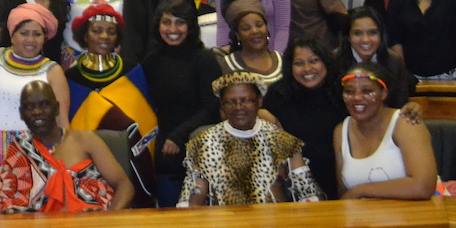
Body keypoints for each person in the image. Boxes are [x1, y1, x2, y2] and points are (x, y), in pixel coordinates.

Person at [178, 72, 321, 206]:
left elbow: (309, 193)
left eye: (246, 100)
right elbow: (193, 195)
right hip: (222, 221)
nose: (238, 107)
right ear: (221, 105)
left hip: (272, 221)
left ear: (259, 101)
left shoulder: (283, 141)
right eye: (230, 102)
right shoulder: (203, 143)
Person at [65, 4, 157, 207]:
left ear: (117, 37)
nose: (104, 36)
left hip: (131, 162)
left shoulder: (133, 71)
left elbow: (147, 122)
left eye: (111, 32)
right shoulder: (70, 78)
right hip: (88, 170)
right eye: (97, 31)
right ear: (85, 36)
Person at [0, 81, 134, 213]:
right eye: (29, 107)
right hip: (40, 227)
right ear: (21, 113)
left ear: (56, 109)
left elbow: (124, 186)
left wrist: (107, 219)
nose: (37, 112)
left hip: (94, 223)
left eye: (44, 104)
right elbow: (3, 202)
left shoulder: (86, 140)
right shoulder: (19, 150)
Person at [139, 0, 222, 207]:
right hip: (165, 149)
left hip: (200, 145)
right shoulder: (151, 61)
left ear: (190, 26)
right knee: (168, 216)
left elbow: (211, 107)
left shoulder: (205, 60)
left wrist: (178, 135)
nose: (173, 29)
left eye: (180, 22)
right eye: (166, 22)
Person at [0, 4, 70, 187]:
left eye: (37, 34)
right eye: (23, 33)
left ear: (44, 39)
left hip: (36, 150)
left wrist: (66, 164)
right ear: (12, 35)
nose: (30, 39)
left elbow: (62, 122)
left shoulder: (53, 71)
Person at [335, 63, 438, 200]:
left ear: (383, 93)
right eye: (349, 91)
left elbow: (423, 187)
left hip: (411, 211)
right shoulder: (341, 131)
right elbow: (344, 194)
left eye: (366, 91)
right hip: (363, 213)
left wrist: (361, 190)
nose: (357, 97)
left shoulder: (406, 122)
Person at [261, 38, 347, 200]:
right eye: (299, 63)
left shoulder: (343, 91)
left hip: (340, 179)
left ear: (326, 62)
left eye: (314, 61)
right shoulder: (278, 94)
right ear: (290, 67)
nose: (307, 69)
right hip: (294, 185)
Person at [339, 6, 417, 105]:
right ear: (348, 36)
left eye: (372, 33)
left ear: (381, 35)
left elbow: (400, 103)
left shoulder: (393, 61)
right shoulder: (334, 63)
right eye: (357, 33)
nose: (365, 39)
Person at [219, 0, 285, 87]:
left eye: (259, 25)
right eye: (246, 28)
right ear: (237, 35)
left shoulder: (284, 61)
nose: (255, 31)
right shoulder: (225, 66)